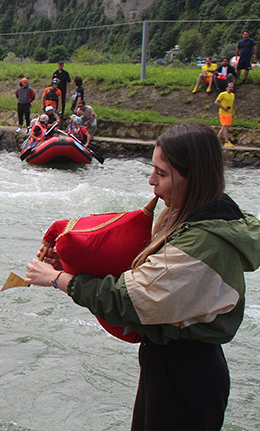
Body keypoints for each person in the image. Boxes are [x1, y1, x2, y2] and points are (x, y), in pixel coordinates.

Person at [24, 122, 260, 431]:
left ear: (194, 177)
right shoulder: (201, 214)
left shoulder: (202, 243)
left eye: (161, 175)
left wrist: (57, 279)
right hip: (174, 365)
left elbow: (128, 300)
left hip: (186, 376)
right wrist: (69, 266)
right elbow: (146, 278)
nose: (152, 182)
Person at [215, 82, 235, 146]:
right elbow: (216, 102)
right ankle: (226, 141)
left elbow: (232, 103)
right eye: (229, 87)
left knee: (224, 127)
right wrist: (223, 108)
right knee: (226, 126)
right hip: (223, 112)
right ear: (227, 88)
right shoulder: (222, 94)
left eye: (232, 87)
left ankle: (217, 140)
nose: (231, 88)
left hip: (229, 113)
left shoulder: (232, 95)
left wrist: (233, 110)